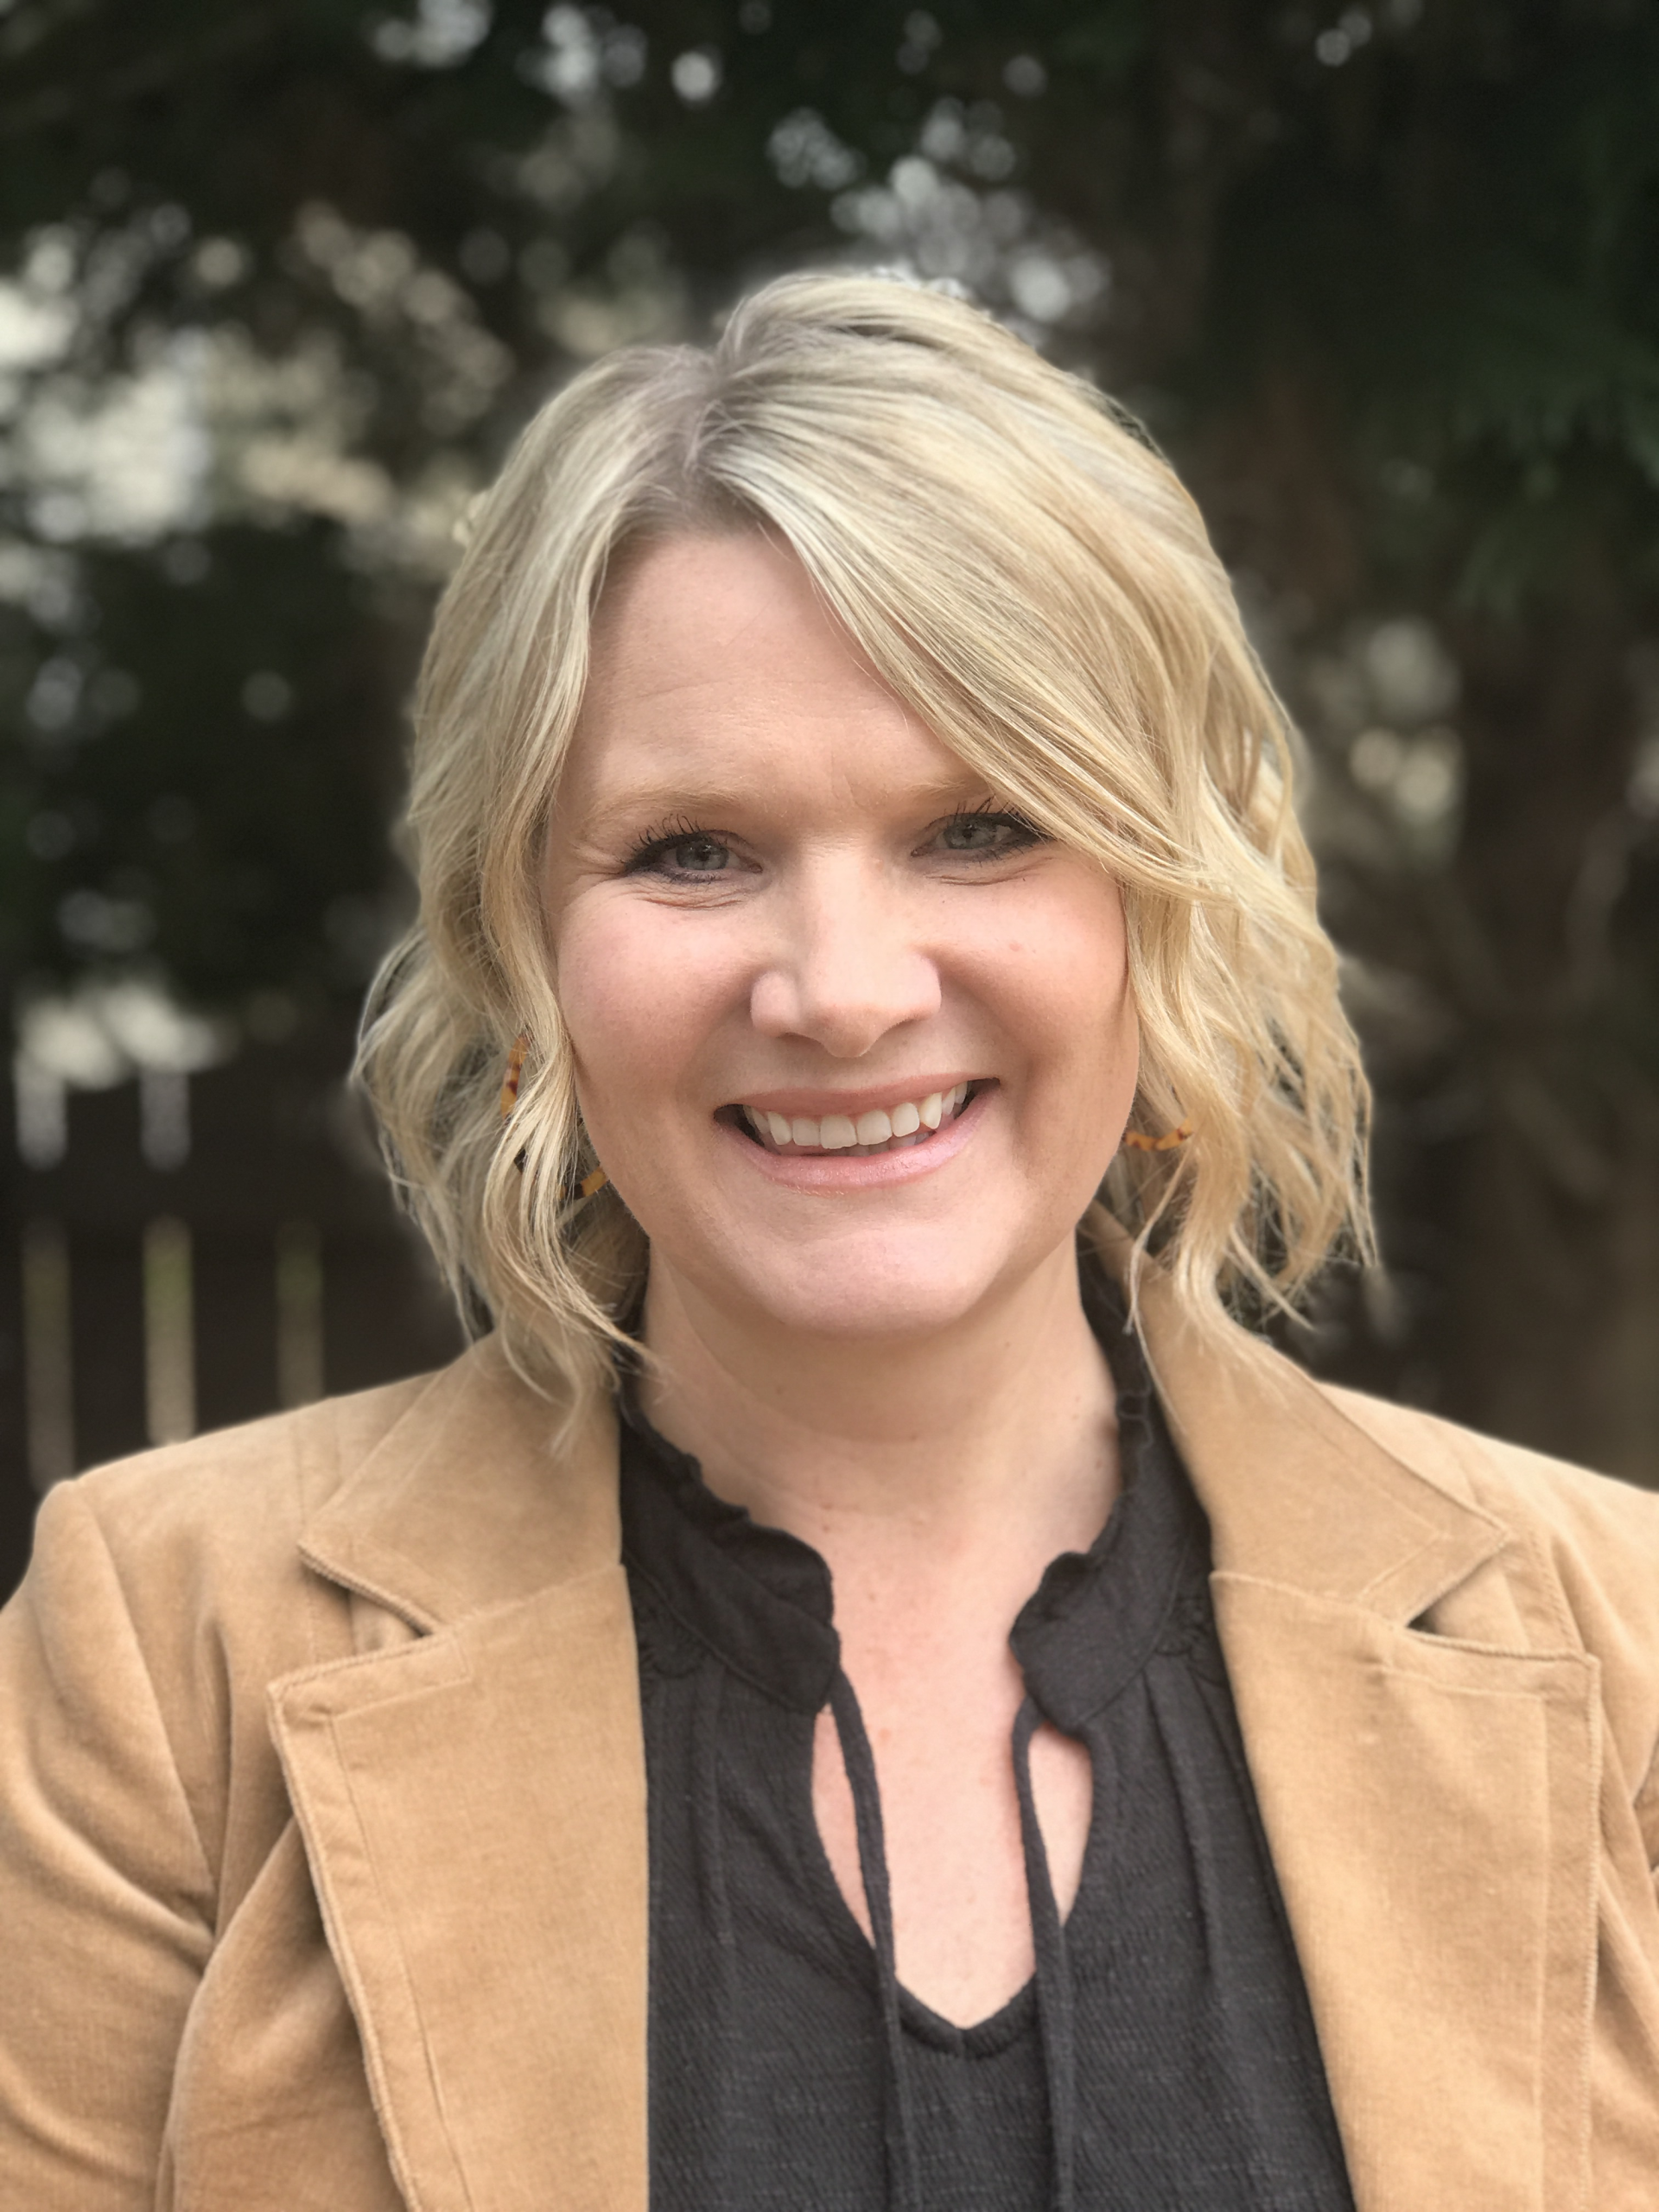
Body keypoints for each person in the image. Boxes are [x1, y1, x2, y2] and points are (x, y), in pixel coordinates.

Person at [2, 272, 1656, 2212]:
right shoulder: (162, 1647)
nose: (847, 990)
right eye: (693, 851)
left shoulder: (1620, 1642)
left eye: (982, 827)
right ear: (519, 944)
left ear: (1160, 901)